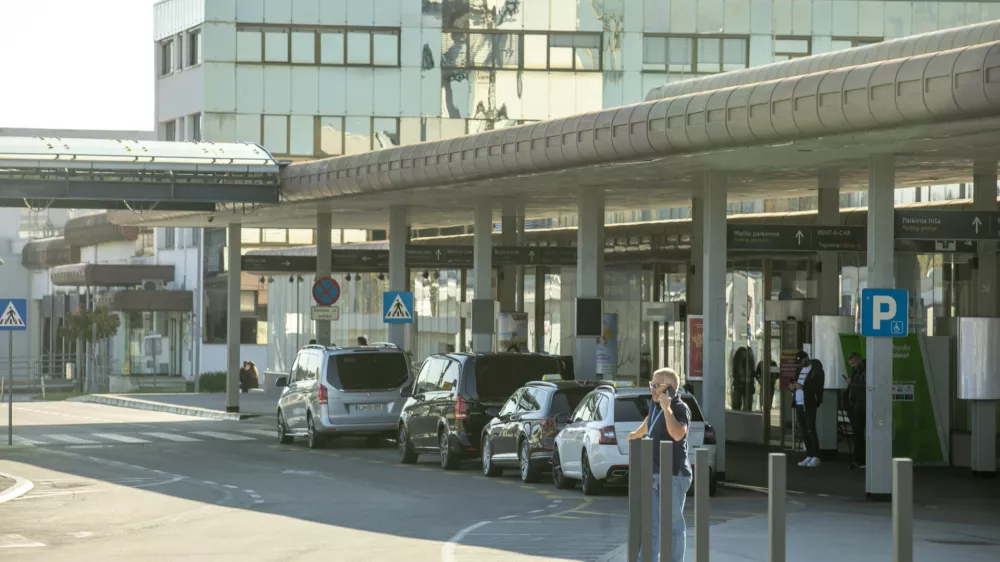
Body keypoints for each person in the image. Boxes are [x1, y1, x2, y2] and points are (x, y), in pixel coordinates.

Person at [627, 368, 692, 562]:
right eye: (651, 384)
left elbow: (678, 433)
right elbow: (650, 422)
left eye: (655, 385)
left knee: (673, 528)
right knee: (651, 526)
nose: (652, 389)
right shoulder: (655, 404)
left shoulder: (680, 408)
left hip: (674, 475)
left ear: (670, 389)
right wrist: (634, 435)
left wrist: (667, 409)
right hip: (654, 473)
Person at [790, 351, 824, 468]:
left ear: (806, 358)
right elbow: (796, 383)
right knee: (804, 431)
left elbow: (817, 385)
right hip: (799, 403)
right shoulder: (799, 370)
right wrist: (793, 388)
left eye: (801, 361)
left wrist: (802, 386)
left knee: (811, 429)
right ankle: (809, 454)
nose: (800, 364)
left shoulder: (816, 369)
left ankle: (816, 456)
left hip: (809, 403)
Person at [846, 352, 866, 469]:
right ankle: (858, 459)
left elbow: (866, 385)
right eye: (850, 363)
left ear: (858, 360)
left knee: (858, 433)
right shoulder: (856, 371)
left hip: (861, 406)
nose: (852, 365)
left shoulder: (863, 371)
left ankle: (860, 459)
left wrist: (851, 383)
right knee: (857, 434)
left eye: (853, 363)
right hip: (856, 405)